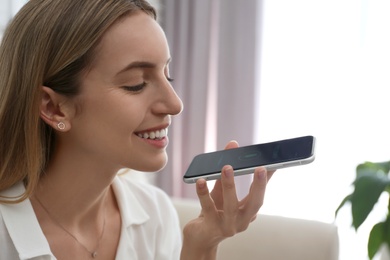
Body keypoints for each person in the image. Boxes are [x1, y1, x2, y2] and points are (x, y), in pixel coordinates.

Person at [0, 0, 273, 259]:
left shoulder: (154, 215)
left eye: (168, 76)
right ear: (53, 108)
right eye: (136, 83)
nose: (175, 104)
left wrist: (202, 245)